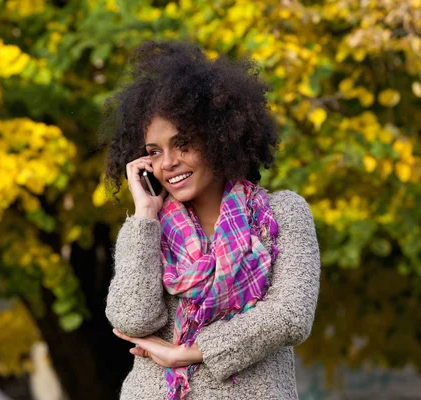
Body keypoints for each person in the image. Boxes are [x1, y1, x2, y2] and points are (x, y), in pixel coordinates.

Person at [101, 40, 321, 400]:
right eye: (154, 152)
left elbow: (290, 314)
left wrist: (185, 353)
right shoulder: (146, 230)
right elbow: (132, 319)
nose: (167, 162)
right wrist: (144, 215)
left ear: (221, 137)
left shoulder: (282, 213)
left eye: (183, 143)